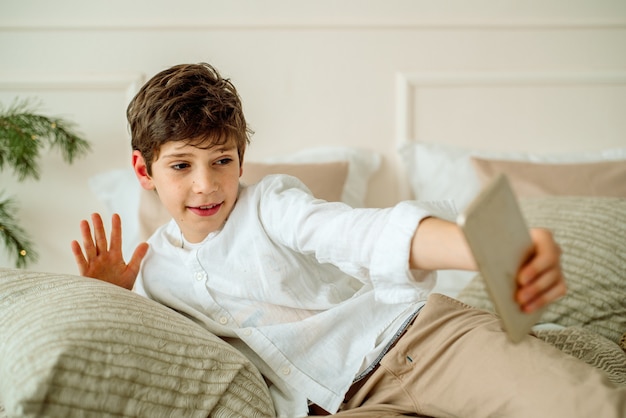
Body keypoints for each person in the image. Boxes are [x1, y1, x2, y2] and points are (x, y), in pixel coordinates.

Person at [71, 63, 625, 418]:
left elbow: (362, 234)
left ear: (242, 158)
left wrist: (484, 248)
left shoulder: (273, 207)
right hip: (346, 404)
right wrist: (111, 297)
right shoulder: (154, 274)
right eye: (181, 166)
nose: (206, 184)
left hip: (423, 343)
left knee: (587, 408)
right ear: (143, 171)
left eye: (222, 160)